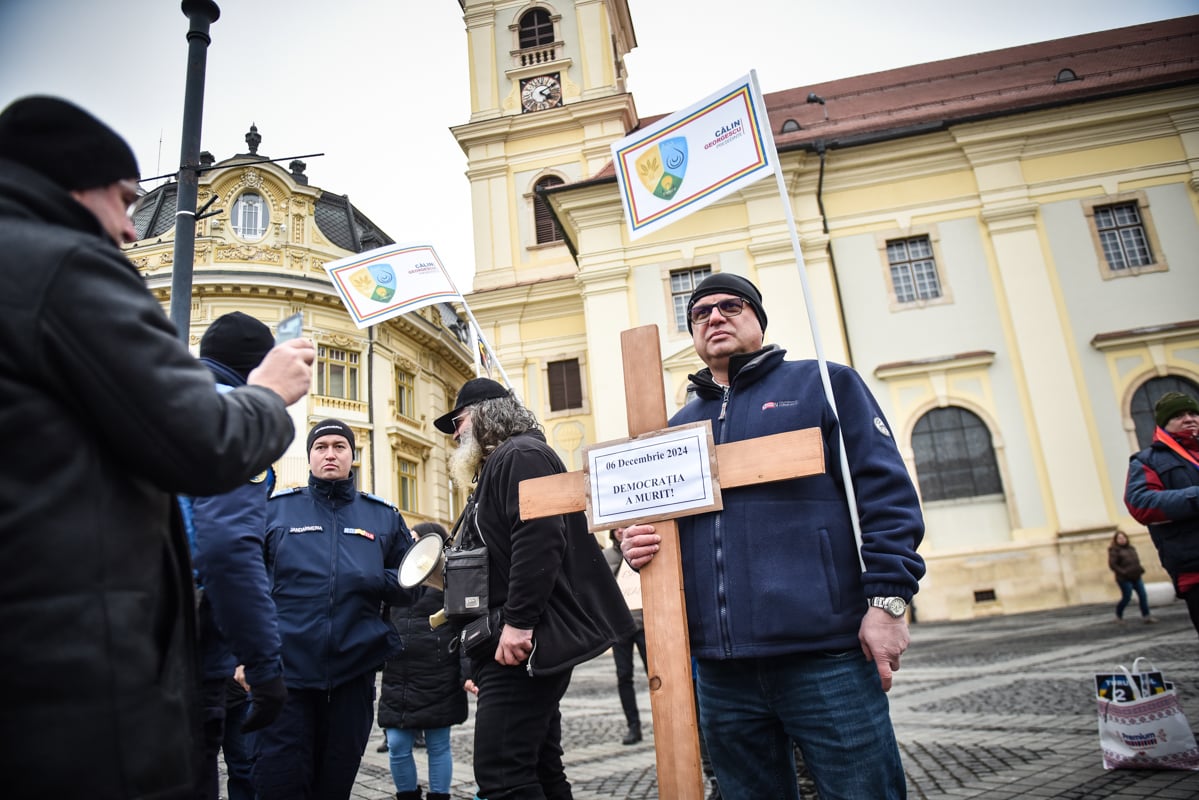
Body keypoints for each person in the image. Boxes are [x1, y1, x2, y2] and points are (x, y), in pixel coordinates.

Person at [0, 96, 314, 798]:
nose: (125, 230)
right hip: (72, 665)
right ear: (73, 182)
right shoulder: (60, 262)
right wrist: (266, 396)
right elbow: (200, 445)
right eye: (125, 201)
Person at [620, 273, 926, 800]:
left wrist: (890, 603)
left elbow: (887, 499)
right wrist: (637, 545)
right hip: (720, 671)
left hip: (825, 657)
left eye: (730, 306)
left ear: (758, 320)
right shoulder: (673, 430)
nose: (714, 317)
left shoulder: (825, 386)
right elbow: (662, 533)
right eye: (700, 313)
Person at [433, 378, 636, 800]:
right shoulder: (505, 461)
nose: (455, 433)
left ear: (489, 413)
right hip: (513, 642)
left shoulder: (520, 454)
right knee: (541, 766)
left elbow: (540, 538)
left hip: (524, 642)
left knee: (502, 772)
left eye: (460, 420)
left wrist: (519, 624)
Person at [255, 418, 413, 799]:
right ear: (309, 456)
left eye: (339, 447)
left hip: (351, 676)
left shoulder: (383, 516)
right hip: (286, 677)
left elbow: (412, 586)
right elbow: (248, 585)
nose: (330, 454)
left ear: (352, 456)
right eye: (321, 446)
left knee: (335, 787)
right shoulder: (275, 512)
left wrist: (370, 578)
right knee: (280, 785)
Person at [183, 311, 294, 799]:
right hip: (186, 650)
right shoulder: (236, 418)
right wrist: (264, 666)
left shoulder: (164, 401)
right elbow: (228, 548)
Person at [379, 521, 468, 800]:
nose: (412, 543)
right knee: (396, 744)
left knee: (438, 744)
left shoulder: (450, 579)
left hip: (438, 674)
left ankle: (439, 796)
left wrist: (466, 672)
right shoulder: (399, 577)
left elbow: (463, 629)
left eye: (417, 538)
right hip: (399, 674)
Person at [1125, 391, 1199, 638]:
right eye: (1179, 415)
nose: (1189, 419)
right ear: (1164, 424)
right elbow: (1141, 504)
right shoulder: (1147, 461)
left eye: (1193, 413)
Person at [604, 529, 648, 745]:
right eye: (617, 527)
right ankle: (633, 726)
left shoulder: (642, 548)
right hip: (620, 627)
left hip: (647, 624)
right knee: (624, 676)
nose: (621, 530)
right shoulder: (607, 556)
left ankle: (664, 721)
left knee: (657, 675)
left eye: (624, 526)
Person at [1107, 531, 1156, 624]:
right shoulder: (1114, 550)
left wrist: (1140, 569)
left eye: (1123, 537)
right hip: (1124, 578)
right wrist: (1123, 572)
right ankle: (1119, 615)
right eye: (1119, 538)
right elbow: (1112, 564)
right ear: (1116, 540)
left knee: (1143, 595)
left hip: (1136, 576)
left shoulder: (1131, 548)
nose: (1122, 540)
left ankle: (1146, 616)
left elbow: (1135, 560)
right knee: (1127, 597)